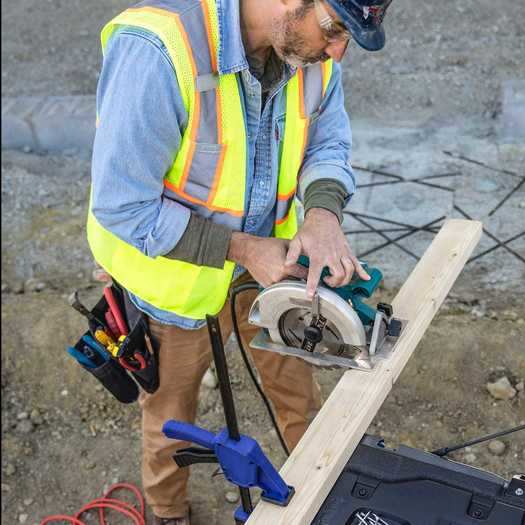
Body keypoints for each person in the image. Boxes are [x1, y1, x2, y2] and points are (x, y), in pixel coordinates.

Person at [88, 0, 392, 522]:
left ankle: (333, 496)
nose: (339, 50)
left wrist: (321, 215)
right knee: (170, 418)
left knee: (299, 391)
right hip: (176, 288)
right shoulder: (159, 50)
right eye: (335, 29)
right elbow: (123, 204)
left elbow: (329, 139)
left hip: (271, 267)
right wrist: (246, 248)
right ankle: (167, 511)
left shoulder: (311, 57)